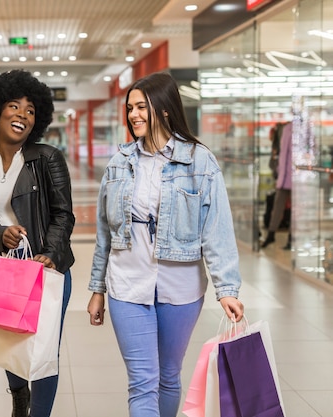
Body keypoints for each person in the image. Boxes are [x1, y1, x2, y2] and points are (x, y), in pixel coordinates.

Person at [86, 72, 244, 417]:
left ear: (165, 108)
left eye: (142, 107)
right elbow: (104, 232)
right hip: (127, 284)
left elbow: (216, 229)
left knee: (169, 377)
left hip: (181, 288)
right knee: (142, 382)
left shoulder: (200, 162)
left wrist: (226, 288)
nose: (134, 115)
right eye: (130, 108)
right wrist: (97, 288)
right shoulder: (119, 163)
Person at [0, 69, 75, 417]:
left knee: (42, 352)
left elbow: (63, 214)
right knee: (9, 342)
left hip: (45, 271)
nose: (23, 115)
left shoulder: (46, 158)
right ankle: (18, 399)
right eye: (14, 106)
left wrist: (49, 254)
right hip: (5, 272)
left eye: (30, 110)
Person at [261, 121, 292, 249]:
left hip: (293, 176)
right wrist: (277, 171)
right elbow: (279, 154)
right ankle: (271, 235)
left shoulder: (298, 129)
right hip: (283, 176)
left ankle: (291, 239)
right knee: (277, 207)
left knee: (294, 211)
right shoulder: (284, 130)